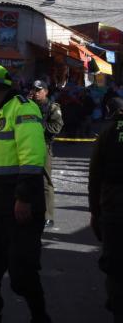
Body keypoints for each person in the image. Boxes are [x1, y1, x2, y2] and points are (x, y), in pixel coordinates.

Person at [0, 63, 51, 323]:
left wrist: (24, 198)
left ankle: (40, 316)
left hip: (16, 208)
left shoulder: (23, 110)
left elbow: (33, 157)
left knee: (21, 273)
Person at [88, 96, 123, 323]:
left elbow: (95, 177)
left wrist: (95, 212)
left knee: (116, 265)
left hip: (114, 208)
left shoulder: (108, 132)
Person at [29, 80, 63, 228]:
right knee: (26, 179)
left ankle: (48, 216)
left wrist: (41, 125)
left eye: (39, 90)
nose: (36, 93)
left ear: (46, 91)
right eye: (34, 90)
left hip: (43, 145)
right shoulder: (28, 105)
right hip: (27, 146)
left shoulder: (52, 107)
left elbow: (56, 127)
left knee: (45, 181)